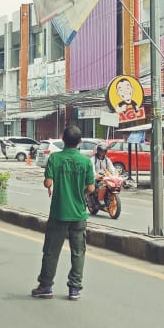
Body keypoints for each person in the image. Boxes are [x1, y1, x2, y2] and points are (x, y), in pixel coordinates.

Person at [31, 126, 95, 300]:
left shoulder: (55, 158)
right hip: (79, 213)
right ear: (80, 141)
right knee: (78, 252)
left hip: (59, 212)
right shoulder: (86, 162)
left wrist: (53, 184)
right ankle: (74, 288)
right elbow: (90, 188)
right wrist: (80, 192)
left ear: (62, 139)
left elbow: (47, 183)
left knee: (51, 250)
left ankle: (46, 286)